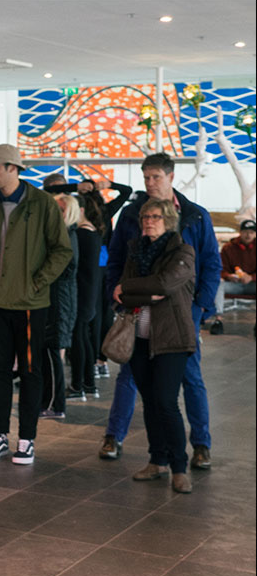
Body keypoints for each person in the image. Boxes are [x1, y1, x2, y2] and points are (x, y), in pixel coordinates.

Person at [99, 153, 221, 469]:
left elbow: (210, 263)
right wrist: (118, 297)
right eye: (146, 178)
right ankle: (114, 435)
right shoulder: (130, 216)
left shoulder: (194, 216)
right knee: (129, 372)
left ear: (170, 176)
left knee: (190, 377)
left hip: (181, 313)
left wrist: (200, 306)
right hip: (138, 311)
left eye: (156, 177)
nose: (150, 183)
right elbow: (115, 261)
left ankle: (201, 444)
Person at [0, 144, 72, 465]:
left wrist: (36, 283)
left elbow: (62, 251)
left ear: (14, 168)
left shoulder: (41, 205)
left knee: (29, 371)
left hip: (30, 305)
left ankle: (26, 438)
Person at [116, 198, 197, 493]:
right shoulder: (135, 252)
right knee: (150, 403)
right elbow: (122, 295)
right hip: (139, 338)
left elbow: (165, 285)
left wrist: (130, 288)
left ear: (169, 220)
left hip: (172, 339)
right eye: (145, 217)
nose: (149, 221)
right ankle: (157, 460)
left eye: (155, 217)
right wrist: (140, 293)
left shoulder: (183, 252)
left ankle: (179, 466)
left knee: (165, 402)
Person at [39, 194, 80, 419]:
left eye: (61, 210)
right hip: (56, 298)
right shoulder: (60, 234)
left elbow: (64, 268)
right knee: (49, 351)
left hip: (60, 300)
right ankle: (50, 401)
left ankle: (55, 404)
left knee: (53, 350)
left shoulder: (67, 235)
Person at [67, 194, 106, 399]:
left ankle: (77, 385)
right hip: (92, 291)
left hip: (82, 291)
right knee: (85, 337)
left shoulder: (80, 234)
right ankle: (89, 384)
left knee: (78, 338)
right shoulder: (94, 231)